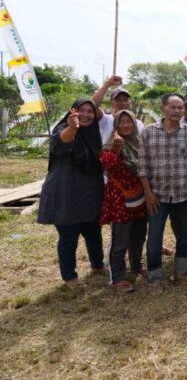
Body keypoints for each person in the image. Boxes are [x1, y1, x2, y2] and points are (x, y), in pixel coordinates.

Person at [38, 98, 105, 288]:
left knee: (94, 233)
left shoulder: (93, 135)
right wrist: (73, 128)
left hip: (90, 193)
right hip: (65, 193)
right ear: (72, 111)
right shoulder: (63, 130)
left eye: (90, 111)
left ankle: (98, 264)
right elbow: (60, 143)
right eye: (81, 110)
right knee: (68, 237)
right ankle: (69, 276)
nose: (86, 115)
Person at [138, 93, 187, 293]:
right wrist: (148, 193)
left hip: (184, 194)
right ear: (162, 108)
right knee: (155, 237)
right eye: (173, 107)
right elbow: (142, 167)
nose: (177, 111)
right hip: (157, 197)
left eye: (180, 108)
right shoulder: (148, 133)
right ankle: (155, 277)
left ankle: (181, 272)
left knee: (185, 236)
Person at [99, 110, 147, 293]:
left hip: (140, 198)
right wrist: (117, 150)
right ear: (116, 125)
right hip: (120, 200)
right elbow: (107, 165)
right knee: (120, 240)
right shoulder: (110, 144)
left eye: (129, 122)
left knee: (139, 235)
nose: (126, 125)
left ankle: (136, 265)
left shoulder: (140, 143)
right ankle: (117, 277)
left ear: (135, 125)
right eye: (122, 122)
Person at [92, 75, 146, 143]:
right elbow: (93, 105)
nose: (122, 103)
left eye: (125, 100)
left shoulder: (138, 124)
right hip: (108, 153)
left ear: (130, 102)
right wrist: (107, 84)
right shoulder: (105, 120)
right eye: (118, 100)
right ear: (111, 102)